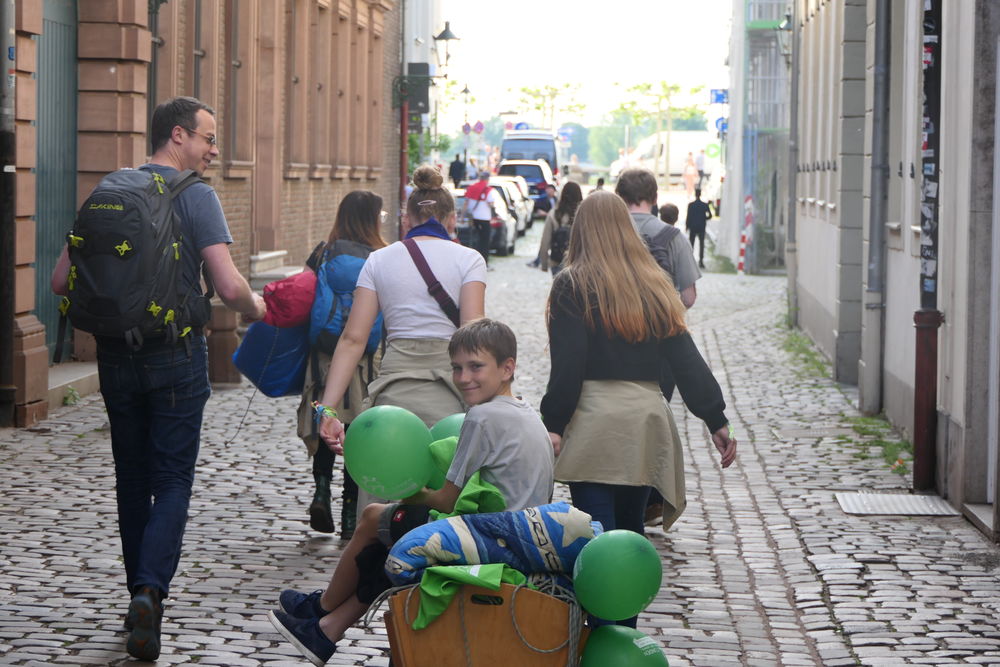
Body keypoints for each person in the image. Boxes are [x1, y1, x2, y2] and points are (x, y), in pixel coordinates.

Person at [50, 96, 267, 661]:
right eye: (208, 139)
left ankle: (136, 596)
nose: (214, 151)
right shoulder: (196, 196)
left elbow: (58, 280)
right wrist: (258, 308)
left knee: (131, 476)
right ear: (178, 136)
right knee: (170, 479)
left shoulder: (109, 190)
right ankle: (149, 593)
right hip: (175, 356)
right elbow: (225, 284)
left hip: (116, 358)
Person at [269, 319, 555, 665]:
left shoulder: (482, 417)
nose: (464, 378)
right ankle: (327, 630)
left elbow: (446, 499)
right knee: (396, 535)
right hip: (523, 539)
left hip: (490, 539)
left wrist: (408, 491)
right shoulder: (527, 412)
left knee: (377, 517)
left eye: (475, 367)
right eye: (457, 368)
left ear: (507, 368)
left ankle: (321, 607)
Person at [540, 191, 737, 628]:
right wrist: (715, 418)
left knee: (595, 541)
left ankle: (600, 635)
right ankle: (623, 636)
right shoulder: (654, 285)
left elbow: (567, 368)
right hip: (645, 421)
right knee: (628, 537)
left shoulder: (572, 284)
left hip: (594, 422)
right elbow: (686, 358)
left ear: (582, 231)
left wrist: (554, 425)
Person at [312, 165, 486, 508]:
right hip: (451, 391)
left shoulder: (379, 260)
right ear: (451, 220)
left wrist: (328, 409)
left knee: (384, 503)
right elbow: (473, 336)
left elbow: (352, 340)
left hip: (393, 392)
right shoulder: (470, 260)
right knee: (446, 502)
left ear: (406, 220)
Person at [297, 191, 387, 539]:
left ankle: (321, 491)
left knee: (326, 421)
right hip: (363, 359)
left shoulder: (322, 253)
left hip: (323, 358)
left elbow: (303, 299)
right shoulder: (381, 257)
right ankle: (351, 512)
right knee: (356, 430)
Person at [615, 167, 700, 308]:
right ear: (655, 199)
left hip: (610, 324)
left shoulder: (602, 233)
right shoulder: (676, 238)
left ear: (618, 196)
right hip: (658, 326)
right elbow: (688, 298)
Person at [538, 181, 583, 275]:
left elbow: (545, 241)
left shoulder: (553, 214)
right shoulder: (584, 215)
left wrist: (544, 264)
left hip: (557, 261)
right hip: (579, 263)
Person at [461, 170, 498, 267]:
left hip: (473, 219)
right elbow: (491, 203)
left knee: (474, 241)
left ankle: (472, 262)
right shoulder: (488, 190)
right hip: (485, 219)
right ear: (487, 179)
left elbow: (466, 203)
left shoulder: (471, 188)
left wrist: (461, 216)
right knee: (485, 242)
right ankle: (484, 263)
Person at [685, 188, 714, 269]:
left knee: (691, 244)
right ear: (700, 194)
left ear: (695, 194)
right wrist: (704, 218)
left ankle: (690, 261)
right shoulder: (704, 205)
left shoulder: (691, 205)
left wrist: (687, 226)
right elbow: (710, 216)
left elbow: (688, 216)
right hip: (701, 227)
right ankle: (701, 261)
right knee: (702, 244)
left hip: (693, 227)